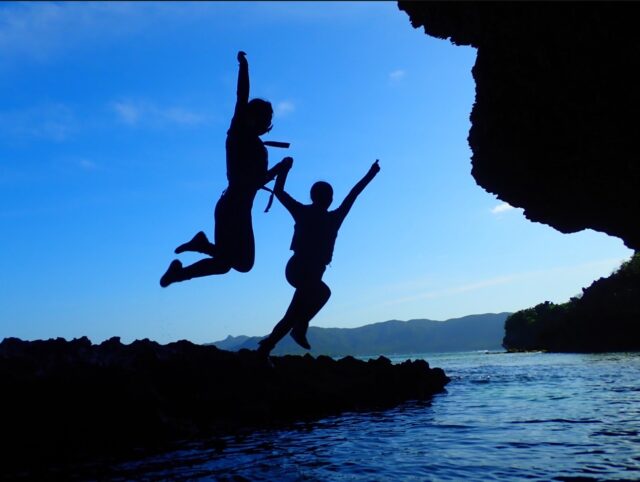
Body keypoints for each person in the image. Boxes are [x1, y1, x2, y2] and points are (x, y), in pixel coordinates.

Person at [161, 51, 290, 287]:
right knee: (238, 263)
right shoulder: (239, 132)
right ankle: (199, 248)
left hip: (236, 207)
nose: (266, 123)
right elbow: (242, 97)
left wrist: (280, 169)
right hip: (233, 207)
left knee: (228, 263)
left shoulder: (255, 144)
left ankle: (186, 263)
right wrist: (244, 67)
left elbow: (257, 180)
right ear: (253, 117)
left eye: (268, 119)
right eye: (264, 117)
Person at [257, 158, 381, 356]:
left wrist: (285, 170)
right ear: (328, 198)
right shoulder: (329, 217)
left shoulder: (311, 213)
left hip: (304, 271)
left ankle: (267, 346)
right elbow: (353, 194)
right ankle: (297, 328)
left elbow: (279, 191)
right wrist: (371, 174)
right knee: (319, 296)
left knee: (295, 312)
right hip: (301, 270)